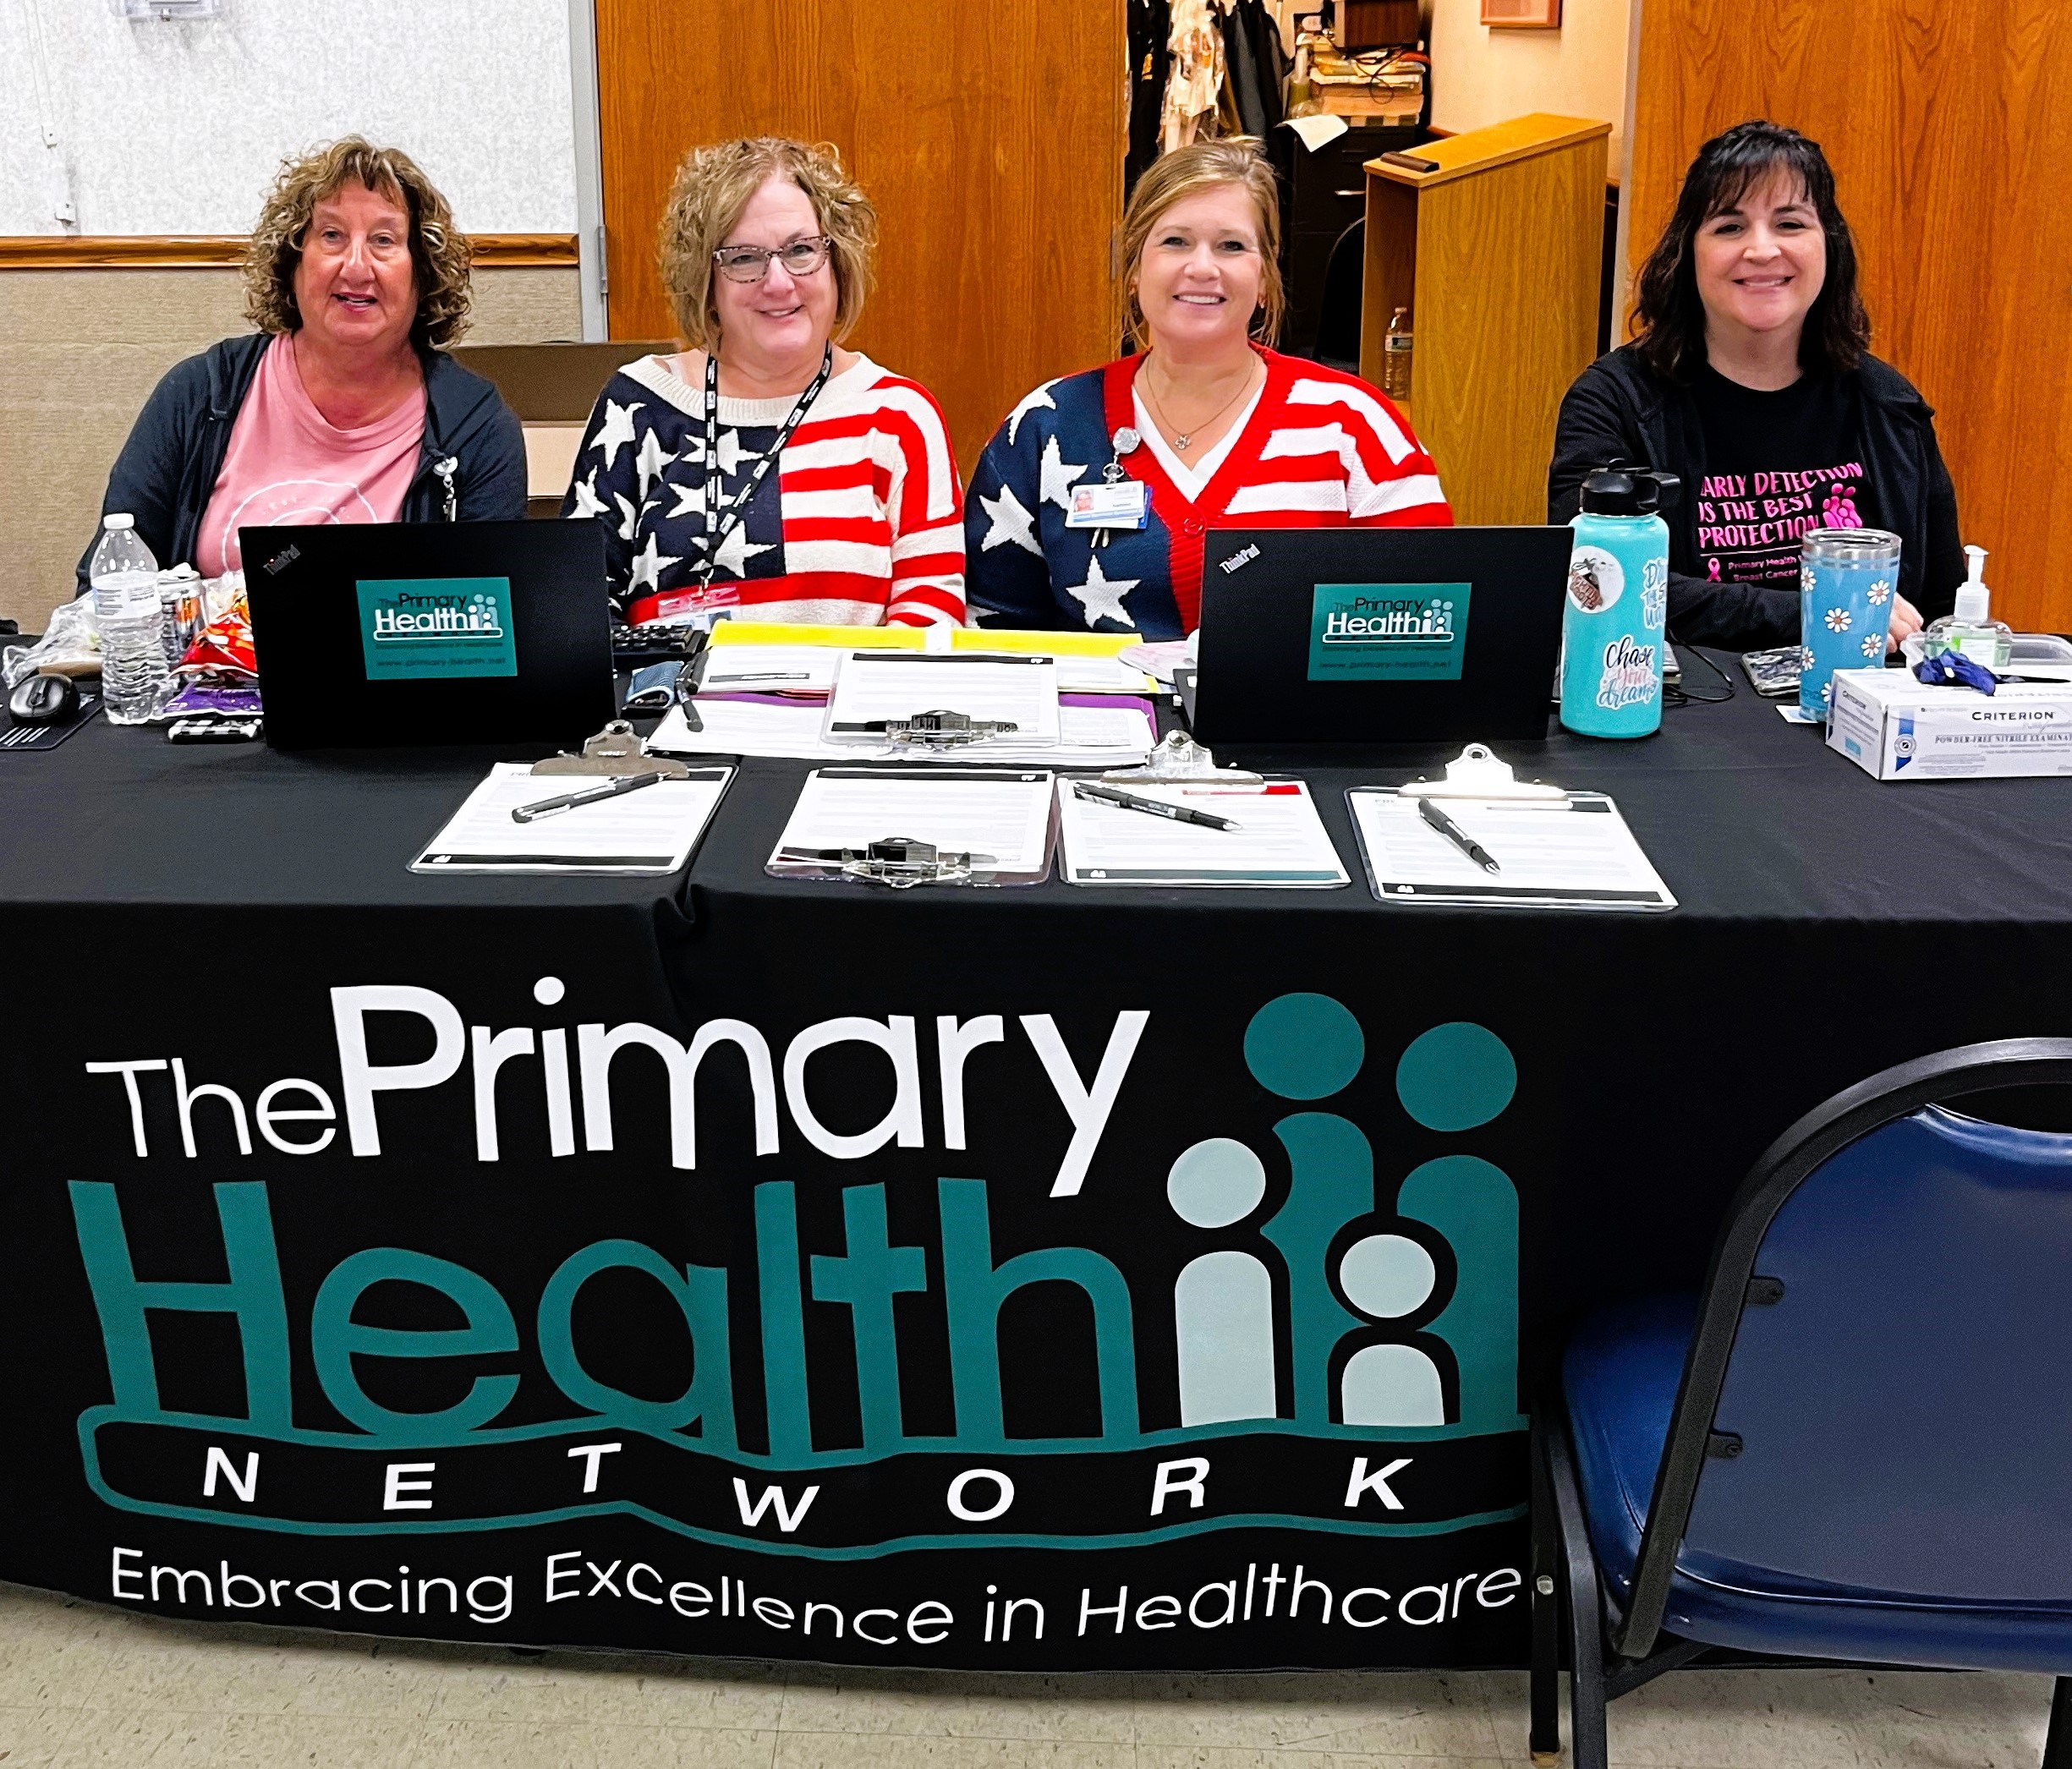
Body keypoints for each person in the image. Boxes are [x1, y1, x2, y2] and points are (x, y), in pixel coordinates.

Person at [966, 137, 1449, 638]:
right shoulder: (1047, 424)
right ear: (1134, 269)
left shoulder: (1352, 422)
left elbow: (1424, 627)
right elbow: (993, 631)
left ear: (1266, 277)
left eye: (1231, 246)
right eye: (1175, 241)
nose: (1202, 268)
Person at [1549, 120, 1962, 651]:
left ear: (1828, 245)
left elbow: (1942, 610)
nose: (1762, 250)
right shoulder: (1612, 401)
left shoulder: (1888, 404)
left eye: (1790, 223)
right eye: (1730, 226)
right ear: (1688, 252)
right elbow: (1594, 580)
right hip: (1676, 697)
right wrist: (1812, 613)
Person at [80, 137, 524, 586]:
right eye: (331, 235)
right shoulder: (200, 395)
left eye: (383, 240)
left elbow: (491, 615)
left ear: (422, 273)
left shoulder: (474, 428)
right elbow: (109, 590)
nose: (356, 267)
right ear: (292, 262)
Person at [564, 138, 963, 628]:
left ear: (838, 264)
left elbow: (931, 619)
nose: (778, 282)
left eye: (801, 250)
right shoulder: (637, 406)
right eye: (743, 259)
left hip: (849, 683)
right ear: (705, 280)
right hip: (664, 681)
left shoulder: (899, 416)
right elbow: (577, 612)